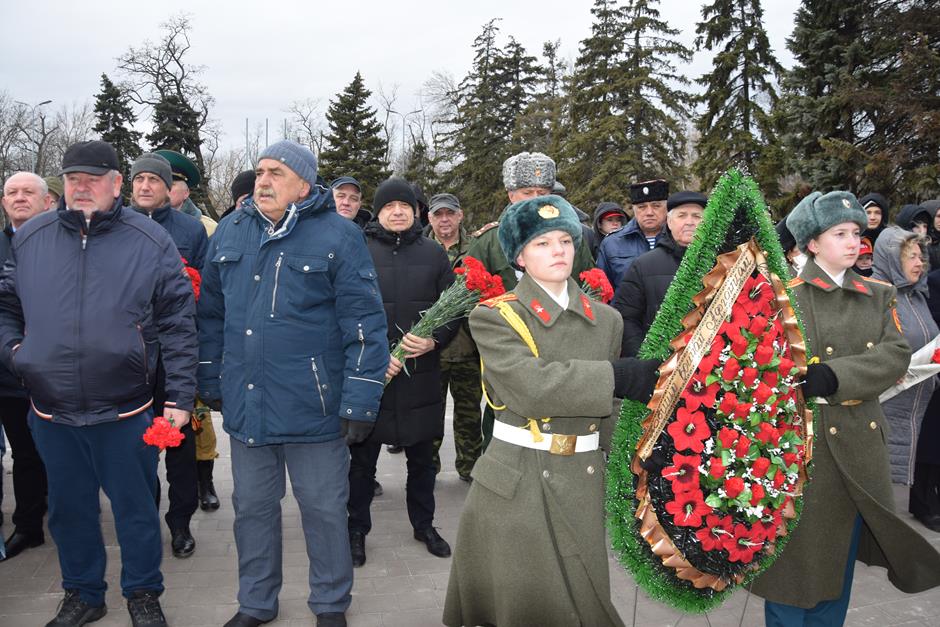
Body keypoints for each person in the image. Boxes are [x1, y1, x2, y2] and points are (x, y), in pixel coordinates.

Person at [0, 140, 198, 627]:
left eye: (93, 179)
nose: (82, 187)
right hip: (52, 410)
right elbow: (7, 306)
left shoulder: (149, 239)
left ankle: (143, 594)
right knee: (69, 512)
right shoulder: (33, 237)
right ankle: (84, 593)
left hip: (125, 410)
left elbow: (178, 321)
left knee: (135, 509)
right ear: (62, 184)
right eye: (73, 179)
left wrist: (178, 396)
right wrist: (17, 353)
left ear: (116, 184)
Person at [442, 194, 659, 627]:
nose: (558, 250)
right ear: (519, 257)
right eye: (541, 243)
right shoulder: (497, 316)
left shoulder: (607, 320)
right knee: (526, 604)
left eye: (564, 240)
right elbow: (529, 388)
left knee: (582, 599)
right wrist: (615, 376)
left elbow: (608, 411)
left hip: (582, 478)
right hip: (518, 481)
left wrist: (648, 452)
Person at [197, 140, 388, 627]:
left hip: (315, 407)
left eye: (276, 173)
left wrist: (360, 401)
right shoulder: (230, 231)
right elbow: (210, 314)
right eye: (260, 171)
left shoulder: (339, 235)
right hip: (248, 405)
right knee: (251, 509)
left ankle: (330, 603)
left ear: (304, 185)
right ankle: (256, 603)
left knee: (324, 510)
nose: (263, 181)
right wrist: (211, 375)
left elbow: (364, 323)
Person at [752, 191, 940, 627]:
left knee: (836, 567)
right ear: (812, 243)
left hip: (858, 446)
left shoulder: (877, 294)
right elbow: (760, 365)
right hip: (801, 450)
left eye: (856, 232)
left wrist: (835, 376)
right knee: (791, 569)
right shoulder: (783, 297)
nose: (854, 241)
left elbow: (895, 355)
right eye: (840, 233)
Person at [348, 179, 458, 568]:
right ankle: (356, 530)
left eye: (405, 206)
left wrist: (434, 340)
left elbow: (454, 308)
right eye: (389, 206)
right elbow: (344, 308)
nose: (398, 212)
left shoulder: (433, 253)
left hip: (419, 375)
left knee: (423, 460)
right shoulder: (358, 251)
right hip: (372, 376)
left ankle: (424, 525)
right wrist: (372, 354)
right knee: (361, 463)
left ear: (416, 212)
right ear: (377, 212)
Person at [466, 152, 595, 448]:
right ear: (511, 195)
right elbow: (467, 303)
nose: (536, 199)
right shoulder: (488, 242)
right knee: (503, 434)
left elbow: (588, 289)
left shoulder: (570, 240)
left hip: (562, 354)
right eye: (527, 193)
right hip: (508, 358)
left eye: (543, 192)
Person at [128, 152, 208, 558]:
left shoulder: (190, 230)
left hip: (174, 355)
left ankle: (180, 522)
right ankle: (145, 521)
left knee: (178, 444)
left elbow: (207, 289)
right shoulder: (116, 225)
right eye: (139, 179)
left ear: (167, 187)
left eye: (154, 180)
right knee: (137, 447)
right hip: (129, 358)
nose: (146, 186)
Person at [0, 172, 51, 562]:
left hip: (56, 373)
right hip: (9, 372)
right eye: (11, 192)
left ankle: (67, 514)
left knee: (60, 452)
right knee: (24, 453)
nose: (19, 197)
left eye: (28, 192)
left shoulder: (66, 243)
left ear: (47, 202)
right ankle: (29, 527)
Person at [872, 229, 938, 487]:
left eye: (921, 257)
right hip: (886, 408)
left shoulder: (916, 296)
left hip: (915, 411)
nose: (919, 263)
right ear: (892, 259)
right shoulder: (875, 295)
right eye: (911, 257)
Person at [424, 193, 482, 482]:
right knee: (429, 414)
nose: (444, 219)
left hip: (468, 347)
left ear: (460, 216)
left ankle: (470, 466)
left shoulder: (477, 248)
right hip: (430, 348)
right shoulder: (421, 250)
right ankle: (427, 467)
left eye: (450, 213)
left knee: (469, 414)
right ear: (429, 219)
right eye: (438, 214)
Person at [613, 191, 706, 358]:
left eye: (697, 216)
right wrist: (644, 360)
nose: (689, 222)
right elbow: (626, 319)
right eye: (682, 216)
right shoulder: (643, 265)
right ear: (669, 222)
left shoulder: (722, 262)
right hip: (659, 364)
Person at [596, 179, 669, 288]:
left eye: (656, 206)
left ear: (667, 208)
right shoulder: (612, 244)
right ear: (634, 209)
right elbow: (602, 291)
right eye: (642, 207)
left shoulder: (681, 239)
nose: (649, 212)